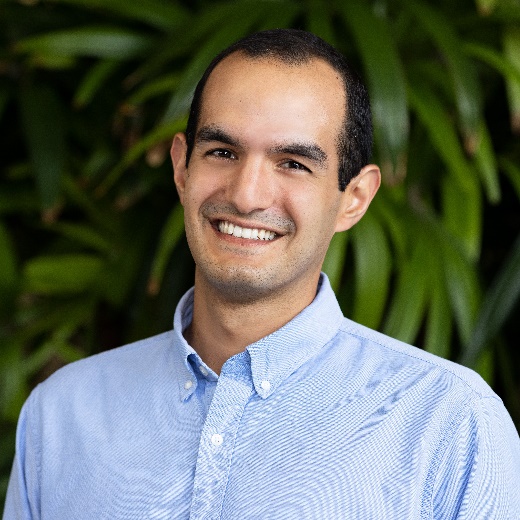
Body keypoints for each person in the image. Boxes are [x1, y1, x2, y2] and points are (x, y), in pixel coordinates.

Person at [4, 28, 520, 520]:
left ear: (354, 198)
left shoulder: (449, 423)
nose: (246, 195)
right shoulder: (61, 415)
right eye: (222, 152)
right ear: (182, 168)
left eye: (293, 163)